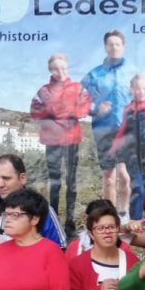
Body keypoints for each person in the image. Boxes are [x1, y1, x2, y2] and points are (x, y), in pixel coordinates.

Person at [30, 52, 92, 235]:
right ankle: (54, 220)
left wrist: (62, 110)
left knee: (71, 182)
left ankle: (70, 223)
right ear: (50, 69)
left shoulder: (77, 88)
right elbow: (34, 111)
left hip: (71, 139)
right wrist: (57, 110)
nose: (60, 71)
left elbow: (85, 108)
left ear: (68, 67)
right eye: (56, 68)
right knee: (55, 182)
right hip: (52, 140)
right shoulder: (43, 90)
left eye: (63, 68)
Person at [81, 29, 136, 214]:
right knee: (109, 178)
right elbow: (79, 101)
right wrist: (95, 108)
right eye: (110, 44)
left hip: (125, 130)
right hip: (103, 131)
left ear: (123, 47)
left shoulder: (132, 73)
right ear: (105, 47)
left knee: (124, 177)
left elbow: (142, 100)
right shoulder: (94, 75)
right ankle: (110, 217)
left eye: (117, 44)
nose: (114, 47)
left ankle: (124, 214)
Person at [108, 73, 145, 222]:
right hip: (131, 156)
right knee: (137, 186)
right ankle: (136, 220)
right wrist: (113, 147)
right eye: (137, 88)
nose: (141, 91)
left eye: (144, 88)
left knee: (142, 189)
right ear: (131, 90)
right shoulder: (127, 110)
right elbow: (122, 130)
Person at [0, 154, 68, 249]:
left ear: (22, 178)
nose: (0, 184)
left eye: (6, 178)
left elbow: (60, 248)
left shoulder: (40, 208)